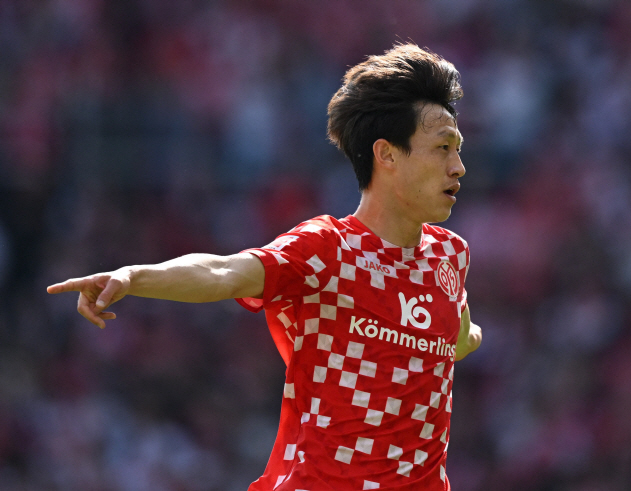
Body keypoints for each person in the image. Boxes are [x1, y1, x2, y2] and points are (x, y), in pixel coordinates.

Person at [47, 43, 482, 491]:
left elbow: (456, 336)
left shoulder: (451, 256)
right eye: (442, 148)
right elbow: (224, 272)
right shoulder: (328, 248)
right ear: (387, 154)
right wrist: (134, 276)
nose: (458, 167)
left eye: (458, 149)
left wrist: (470, 338)